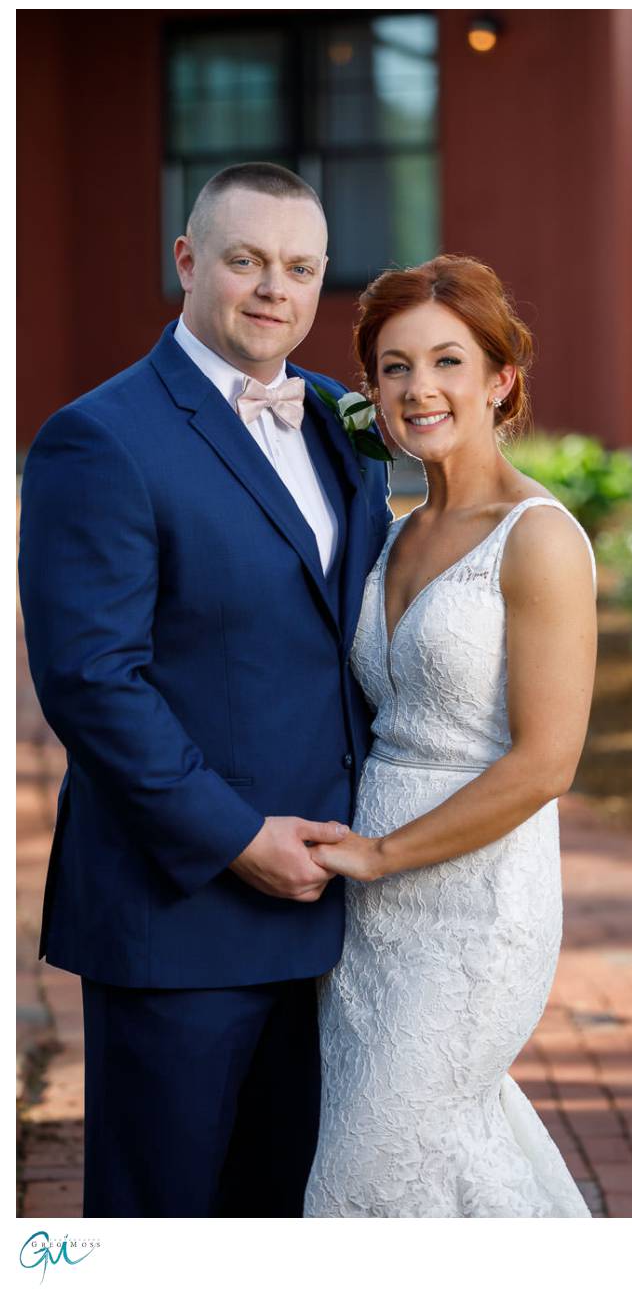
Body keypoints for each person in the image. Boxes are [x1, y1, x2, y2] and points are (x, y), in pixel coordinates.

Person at [17, 163, 391, 1218]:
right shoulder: (99, 438)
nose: (274, 287)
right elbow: (91, 681)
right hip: (179, 909)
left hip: (333, 906)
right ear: (187, 262)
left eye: (300, 267)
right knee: (164, 1218)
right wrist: (236, 837)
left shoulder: (335, 417)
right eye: (246, 260)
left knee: (282, 1212)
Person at [303, 255, 597, 1218]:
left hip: (476, 909)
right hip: (367, 918)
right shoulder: (390, 530)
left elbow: (547, 762)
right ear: (371, 389)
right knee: (442, 1158)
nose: (418, 388)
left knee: (366, 1172)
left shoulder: (538, 537)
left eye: (445, 362)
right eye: (392, 367)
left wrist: (383, 854)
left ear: (498, 379)